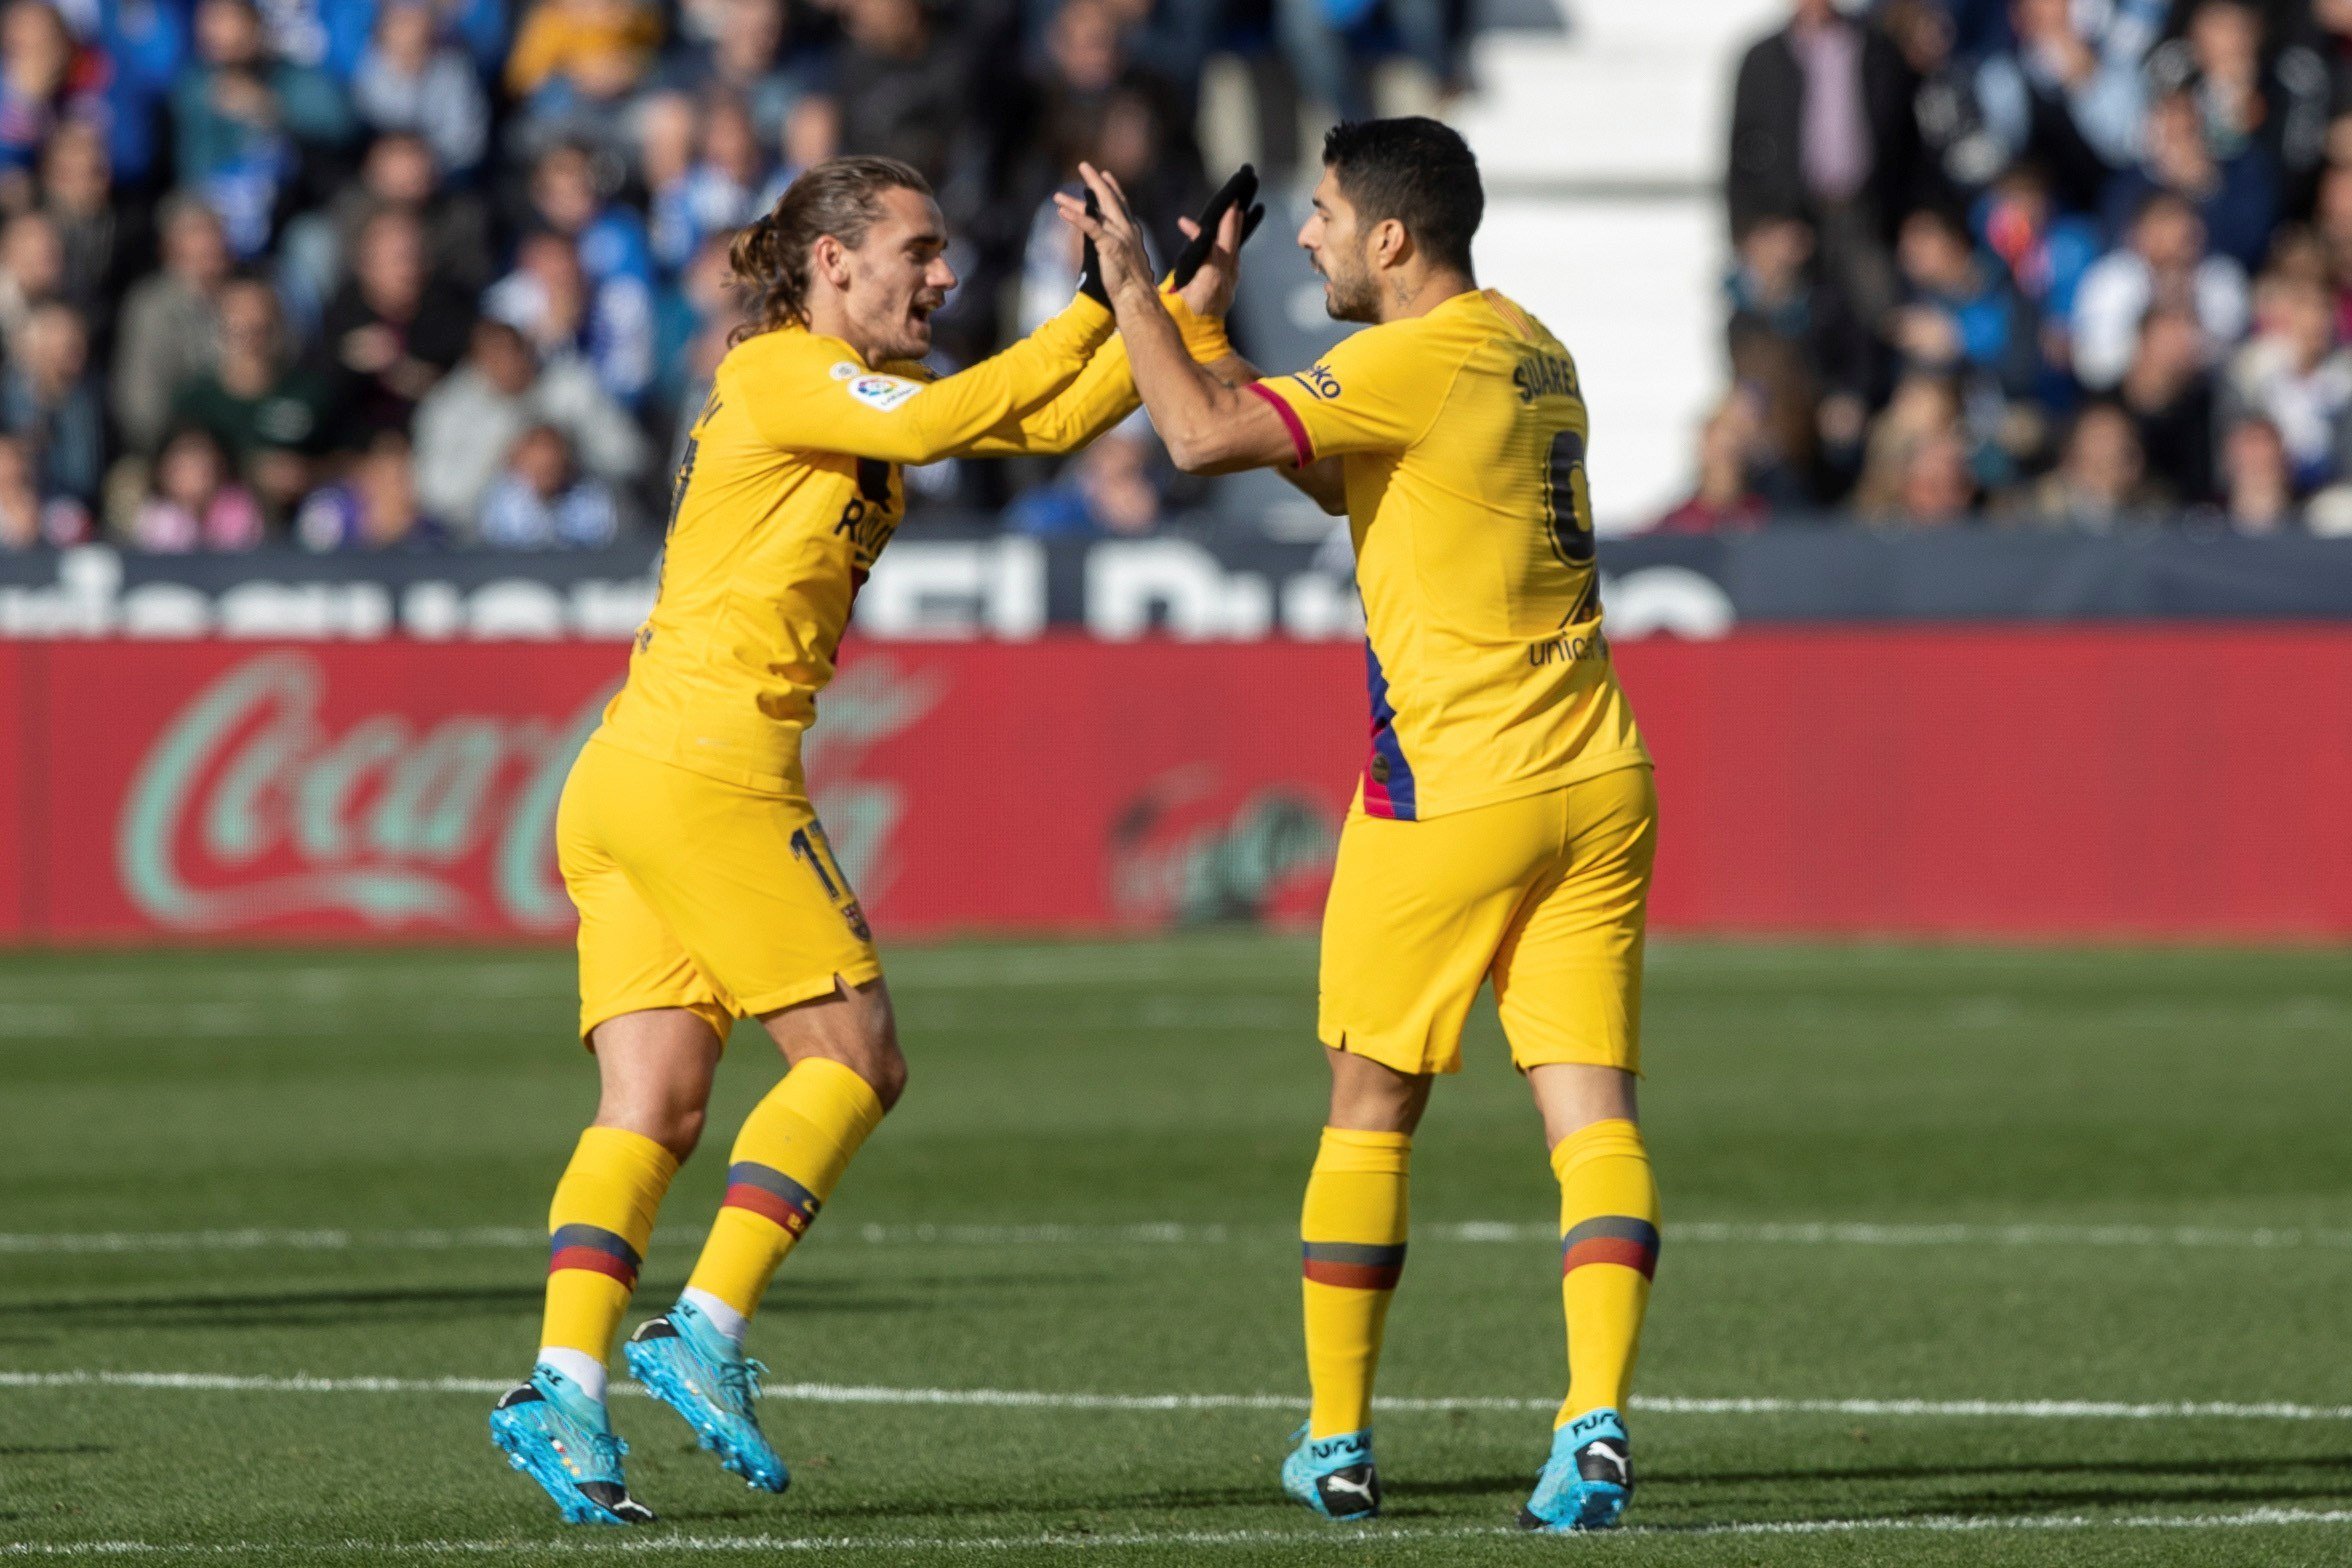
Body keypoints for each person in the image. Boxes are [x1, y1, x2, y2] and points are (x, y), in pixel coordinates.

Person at [487, 151, 1258, 1526]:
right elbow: (962, 414)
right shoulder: (785, 369)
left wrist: (1169, 303)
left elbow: (1045, 426)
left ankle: (563, 1385)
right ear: (832, 261)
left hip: (632, 774)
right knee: (856, 1060)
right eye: (919, 249)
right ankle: (704, 1331)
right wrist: (1097, 303)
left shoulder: (846, 389)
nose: (943, 274)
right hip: (708, 770)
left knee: (652, 1107)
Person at [1060, 118, 1661, 1533]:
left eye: (1327, 214)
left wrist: (1138, 291)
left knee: (1370, 1108)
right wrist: (1211, 339)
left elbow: (1203, 442)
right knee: (1591, 1114)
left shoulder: (1411, 355)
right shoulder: (1528, 347)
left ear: (1394, 239)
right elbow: (1333, 463)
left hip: (1454, 787)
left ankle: (1335, 1440)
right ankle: (1595, 1426)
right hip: (1598, 774)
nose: (1312, 235)